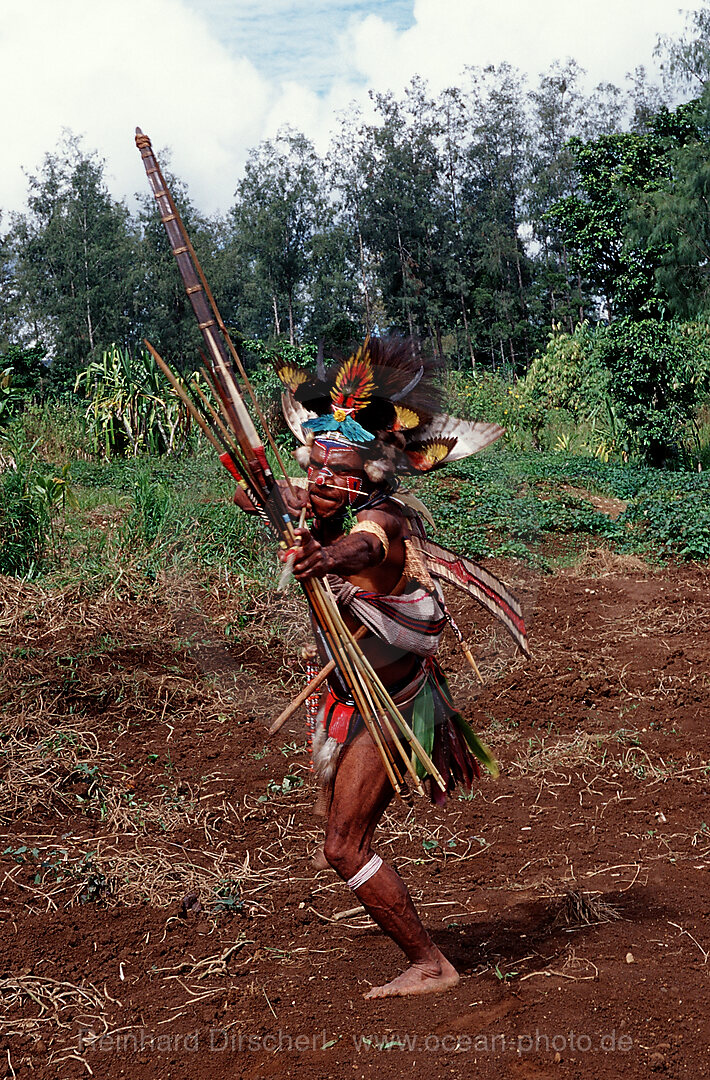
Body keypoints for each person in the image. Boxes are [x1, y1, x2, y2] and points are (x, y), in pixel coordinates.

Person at [235, 336, 525, 998]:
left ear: (366, 475)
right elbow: (260, 498)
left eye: (336, 471)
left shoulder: (381, 517)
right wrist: (265, 488)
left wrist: (326, 559)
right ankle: (426, 955)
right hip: (350, 698)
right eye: (315, 468)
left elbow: (370, 546)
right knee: (341, 839)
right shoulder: (324, 500)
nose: (320, 481)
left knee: (344, 847)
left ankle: (432, 964)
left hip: (392, 710)